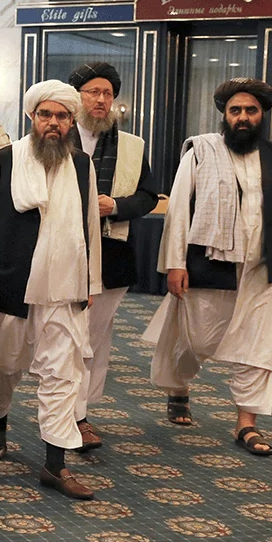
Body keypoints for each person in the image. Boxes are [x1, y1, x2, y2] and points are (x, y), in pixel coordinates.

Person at [142, 78, 272, 456]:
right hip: (209, 262)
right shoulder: (200, 151)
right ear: (224, 116)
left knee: (259, 346)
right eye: (235, 111)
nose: (243, 117)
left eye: (251, 111)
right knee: (196, 339)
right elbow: (178, 210)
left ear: (262, 115)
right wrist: (175, 263)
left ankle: (247, 423)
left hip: (261, 269)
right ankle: (179, 387)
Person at [0, 80, 101, 500]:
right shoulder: (6, 159)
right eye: (46, 115)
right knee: (3, 364)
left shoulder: (81, 165)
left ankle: (55, 464)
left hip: (64, 286)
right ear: (32, 118)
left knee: (61, 374)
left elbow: (90, 223)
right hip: (11, 280)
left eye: (61, 116)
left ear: (71, 120)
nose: (53, 123)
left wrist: (91, 279)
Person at [66, 62, 157, 451]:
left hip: (111, 252)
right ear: (78, 97)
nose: (101, 99)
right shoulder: (54, 136)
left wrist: (115, 205)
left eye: (107, 93)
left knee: (94, 338)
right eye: (93, 92)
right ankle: (62, 411)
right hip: (62, 252)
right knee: (65, 337)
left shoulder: (132, 146)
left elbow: (149, 196)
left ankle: (79, 415)